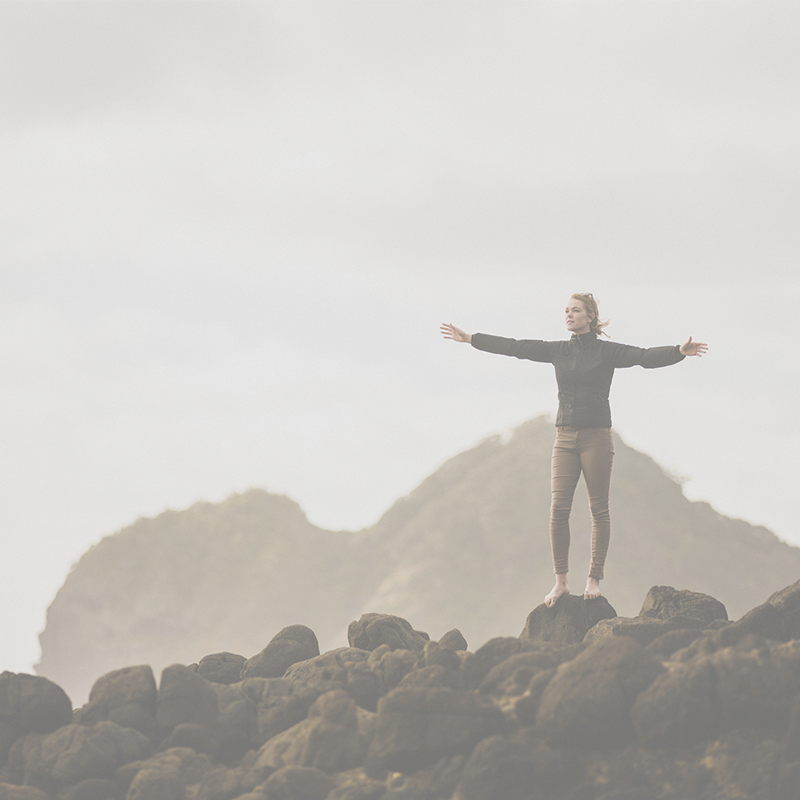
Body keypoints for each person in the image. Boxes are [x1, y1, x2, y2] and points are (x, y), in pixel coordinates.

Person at [440, 293, 707, 608]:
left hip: (596, 437)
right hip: (564, 438)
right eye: (566, 310)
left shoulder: (607, 352)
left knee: (599, 510)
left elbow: (644, 357)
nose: (568, 315)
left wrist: (678, 351)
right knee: (558, 510)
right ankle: (561, 583)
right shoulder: (558, 350)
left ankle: (593, 579)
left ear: (590, 317)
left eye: (575, 310)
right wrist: (470, 338)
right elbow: (514, 347)